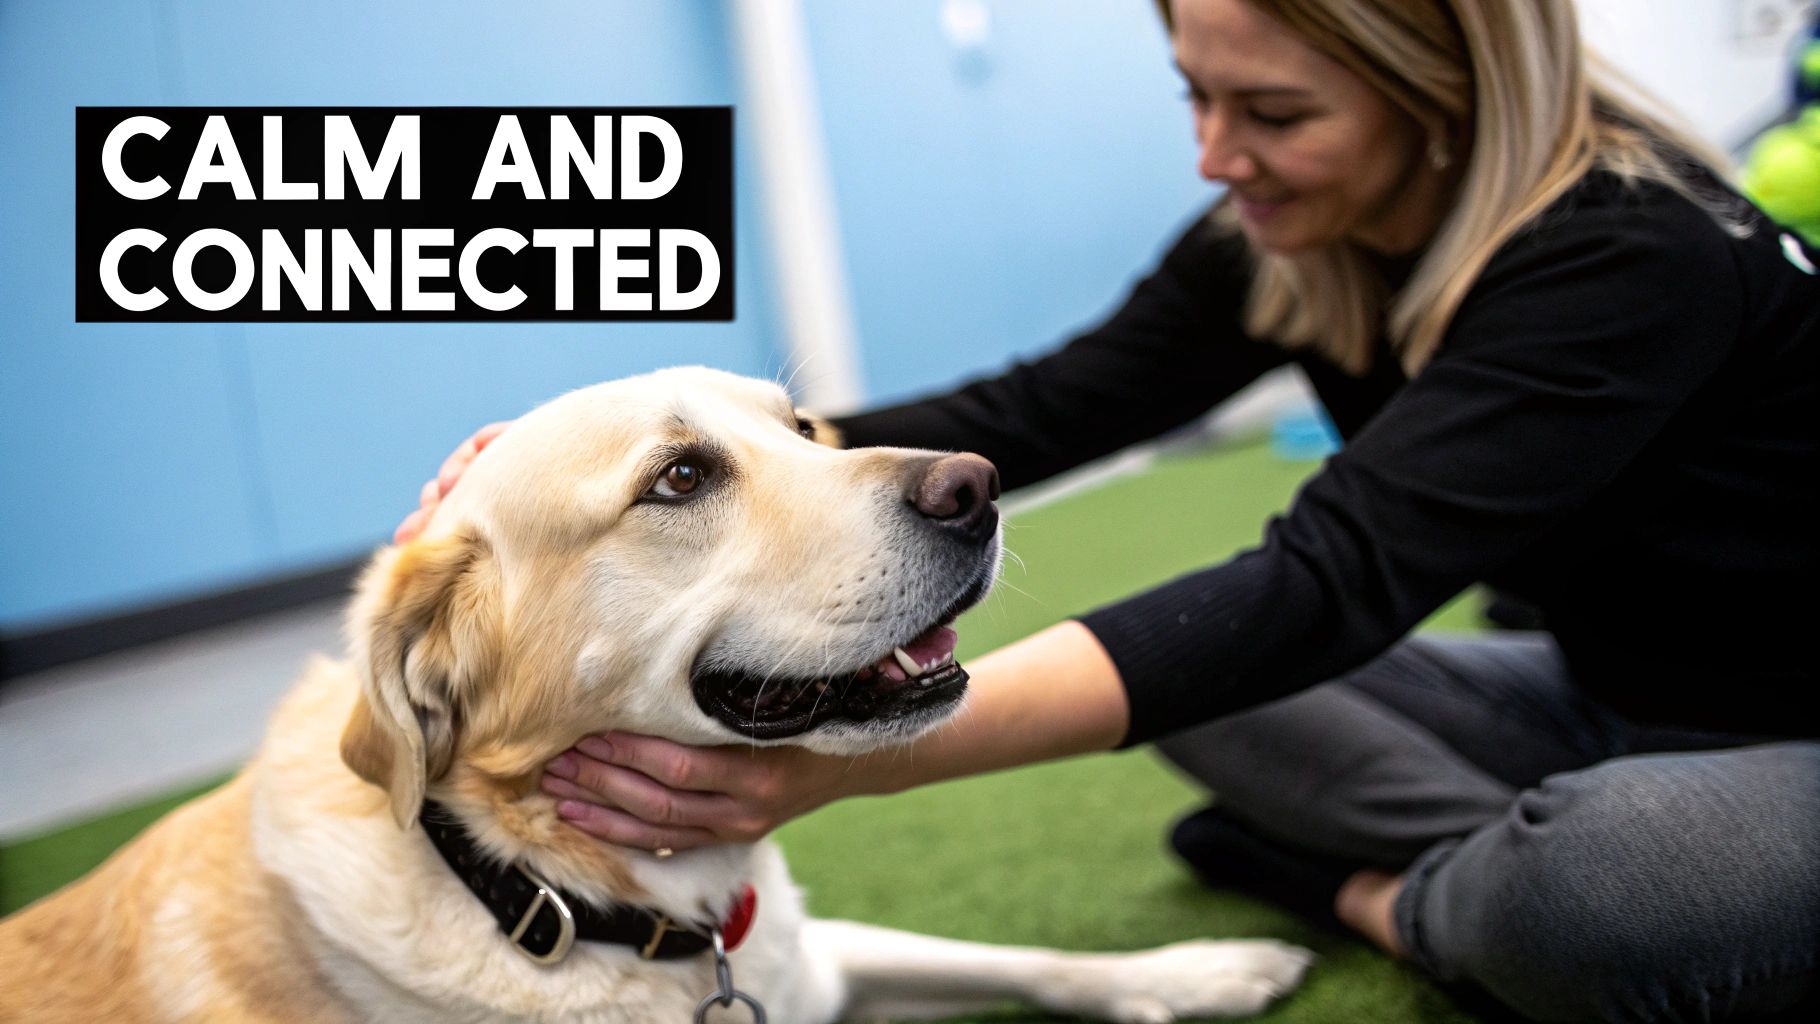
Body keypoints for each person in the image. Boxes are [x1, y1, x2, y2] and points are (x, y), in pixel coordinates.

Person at [398, 1, 1820, 1019]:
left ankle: (1387, 888)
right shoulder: (1286, 242)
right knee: (1185, 665)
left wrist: (853, 762)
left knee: (1608, 895)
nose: (1216, 154)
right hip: (1613, 695)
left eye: (1273, 114)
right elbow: (1036, 410)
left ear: (1445, 101)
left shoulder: (1634, 255)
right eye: (1193, 95)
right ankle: (1503, 848)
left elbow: (1333, 580)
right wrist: (672, 453)